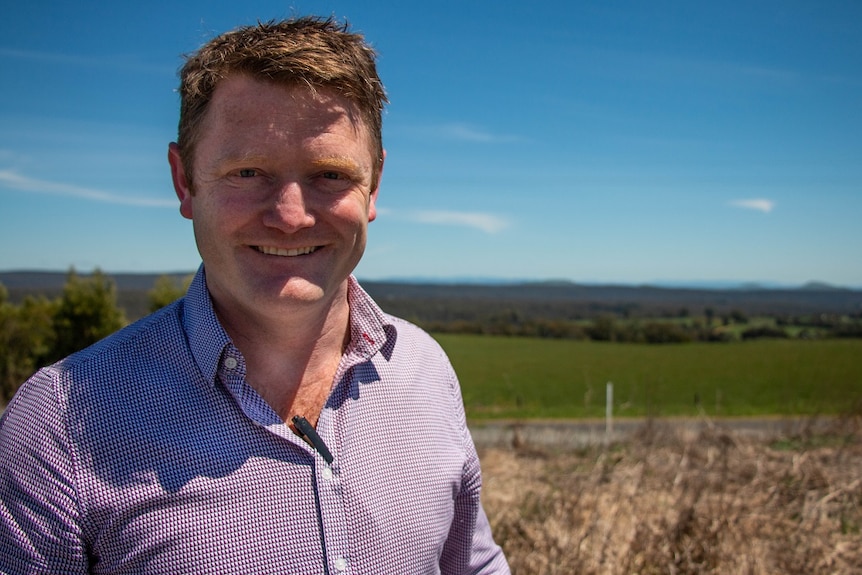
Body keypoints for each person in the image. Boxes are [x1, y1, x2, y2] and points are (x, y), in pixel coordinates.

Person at [0, 16, 510, 574]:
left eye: (330, 175)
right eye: (247, 172)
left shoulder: (424, 370)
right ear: (184, 180)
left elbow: (474, 564)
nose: (291, 217)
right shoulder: (60, 425)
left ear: (374, 186)